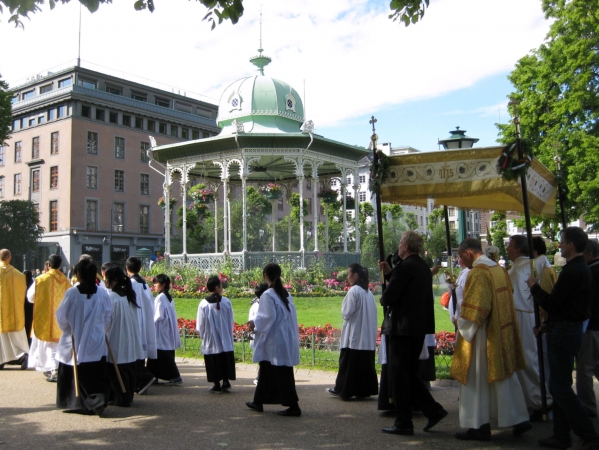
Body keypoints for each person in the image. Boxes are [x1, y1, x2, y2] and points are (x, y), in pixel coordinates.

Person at [452, 238, 531, 441]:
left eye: (461, 256)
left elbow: (477, 308)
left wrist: (461, 323)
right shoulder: (497, 269)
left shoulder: (479, 272)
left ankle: (478, 425)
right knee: (503, 377)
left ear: (469, 253)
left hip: (482, 335)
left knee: (475, 379)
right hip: (500, 331)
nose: (461, 260)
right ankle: (519, 418)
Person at [527, 227, 599, 450]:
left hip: (565, 332)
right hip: (566, 328)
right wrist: (548, 324)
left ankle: (587, 433)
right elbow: (568, 307)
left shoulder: (573, 271)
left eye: (562, 241)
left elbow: (554, 304)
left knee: (559, 387)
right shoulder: (579, 268)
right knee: (560, 384)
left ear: (570, 245)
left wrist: (534, 288)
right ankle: (561, 434)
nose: (559, 245)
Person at [377, 231, 448, 436]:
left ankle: (403, 421)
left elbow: (389, 297)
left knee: (399, 375)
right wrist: (391, 272)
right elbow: (407, 287)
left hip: (402, 328)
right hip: (417, 328)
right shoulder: (422, 267)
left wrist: (385, 294)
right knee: (409, 373)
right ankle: (433, 410)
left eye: (400, 243)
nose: (398, 247)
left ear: (406, 247)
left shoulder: (406, 267)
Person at [55, 259, 112, 416]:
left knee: (74, 369)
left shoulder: (72, 293)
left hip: (74, 338)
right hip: (95, 339)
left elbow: (61, 316)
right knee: (95, 374)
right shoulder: (102, 293)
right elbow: (108, 316)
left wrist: (68, 329)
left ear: (78, 274)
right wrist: (101, 329)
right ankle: (97, 400)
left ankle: (75, 402)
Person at [246, 263, 301, 417]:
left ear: (265, 276)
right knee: (266, 369)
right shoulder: (285, 294)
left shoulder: (268, 295)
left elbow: (267, 317)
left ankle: (293, 405)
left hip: (274, 339)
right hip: (283, 337)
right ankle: (258, 401)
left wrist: (255, 325)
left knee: (280, 371)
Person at [506, 235, 550, 421]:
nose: (507, 249)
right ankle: (528, 401)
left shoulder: (532, 265)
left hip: (525, 316)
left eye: (509, 246)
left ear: (517, 249)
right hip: (519, 315)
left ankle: (541, 401)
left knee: (529, 360)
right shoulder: (517, 266)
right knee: (522, 361)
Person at [328, 263, 378, 400]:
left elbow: (346, 312)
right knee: (364, 365)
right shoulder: (369, 294)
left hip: (354, 335)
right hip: (366, 336)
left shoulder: (354, 291)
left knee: (349, 363)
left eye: (349, 274)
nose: (347, 277)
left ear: (355, 275)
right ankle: (363, 390)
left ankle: (344, 389)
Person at [104, 267, 145, 407]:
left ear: (113, 281)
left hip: (116, 336)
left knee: (116, 367)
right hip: (129, 336)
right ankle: (126, 396)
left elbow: (107, 320)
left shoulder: (112, 297)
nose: (105, 281)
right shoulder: (128, 295)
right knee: (127, 366)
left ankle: (120, 397)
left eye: (107, 278)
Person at [27, 254, 71, 382]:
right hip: (61, 318)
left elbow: (30, 298)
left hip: (45, 318)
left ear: (49, 265)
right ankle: (55, 368)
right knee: (56, 345)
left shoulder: (40, 279)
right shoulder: (66, 281)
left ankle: (53, 369)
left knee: (48, 346)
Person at [196, 275, 236, 393]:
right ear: (217, 287)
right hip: (225, 336)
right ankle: (226, 381)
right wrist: (228, 332)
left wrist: (202, 334)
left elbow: (200, 323)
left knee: (213, 359)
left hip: (211, 337)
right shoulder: (226, 302)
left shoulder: (203, 304)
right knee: (224, 357)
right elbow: (231, 320)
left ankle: (216, 383)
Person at [126, 257, 157, 395]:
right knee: (140, 353)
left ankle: (144, 379)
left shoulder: (132, 283)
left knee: (135, 353)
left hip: (137, 321)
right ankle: (140, 382)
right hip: (145, 321)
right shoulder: (143, 283)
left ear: (127, 269)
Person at [577, 240, 599, 419]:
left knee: (585, 368)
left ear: (590, 254)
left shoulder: (590, 273)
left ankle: (587, 406)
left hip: (592, 326)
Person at [147, 274, 182, 385]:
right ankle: (153, 376)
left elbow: (158, 315)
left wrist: (150, 325)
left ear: (163, 285)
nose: (154, 286)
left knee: (163, 354)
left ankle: (175, 376)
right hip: (166, 329)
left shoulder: (160, 298)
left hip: (161, 330)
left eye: (156, 284)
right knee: (159, 354)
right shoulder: (168, 297)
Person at [0, 249, 29, 370]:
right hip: (14, 312)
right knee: (15, 337)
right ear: (9, 258)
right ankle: (23, 356)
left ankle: (1, 360)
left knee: (2, 338)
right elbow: (23, 290)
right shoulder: (18, 275)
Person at [248, 283, 269, 385]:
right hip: (263, 335)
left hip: (259, 335)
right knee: (265, 359)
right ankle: (260, 378)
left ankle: (261, 377)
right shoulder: (261, 306)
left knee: (264, 358)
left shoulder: (255, 305)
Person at [448, 255, 469, 326]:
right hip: (457, 314)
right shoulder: (463, 273)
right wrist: (451, 284)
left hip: (462, 316)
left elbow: (466, 296)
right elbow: (451, 294)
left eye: (459, 257)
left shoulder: (468, 273)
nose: (457, 259)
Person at [23, 271, 34, 347]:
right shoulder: (33, 283)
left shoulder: (24, 284)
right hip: (32, 309)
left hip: (25, 309)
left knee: (26, 327)